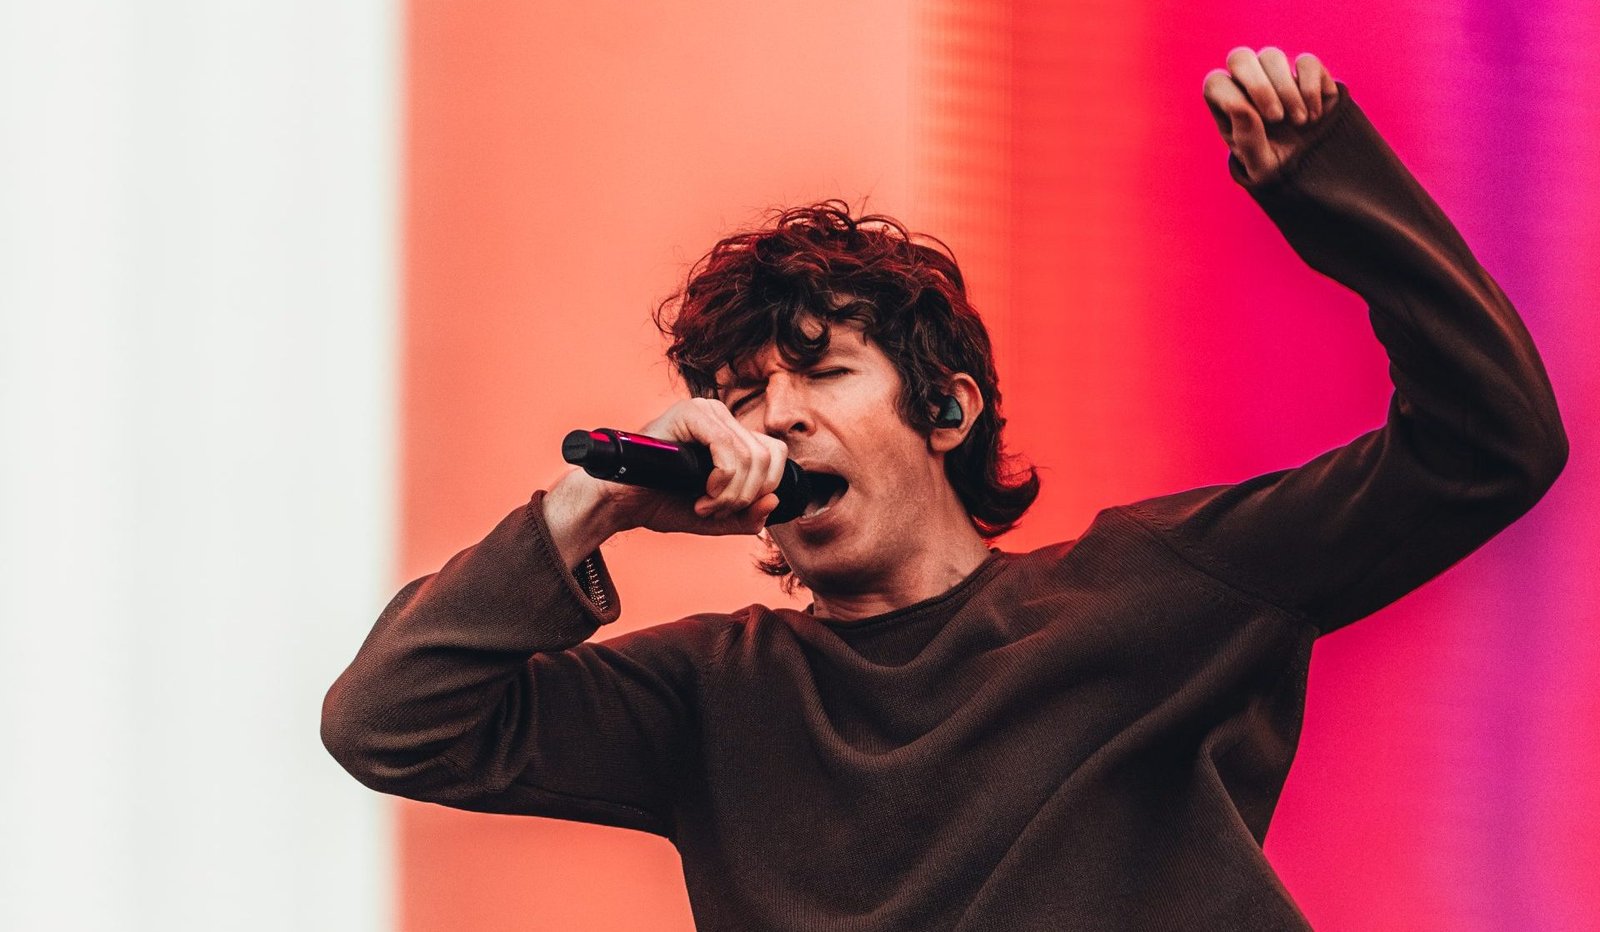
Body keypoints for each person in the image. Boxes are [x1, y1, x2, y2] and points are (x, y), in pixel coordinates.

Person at [323, 47, 1568, 930]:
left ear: (948, 408)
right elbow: (388, 723)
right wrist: (593, 506)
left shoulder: (1156, 588)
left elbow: (1491, 444)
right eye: (741, 396)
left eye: (820, 371)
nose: (774, 416)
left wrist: (1330, 191)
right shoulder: (714, 693)